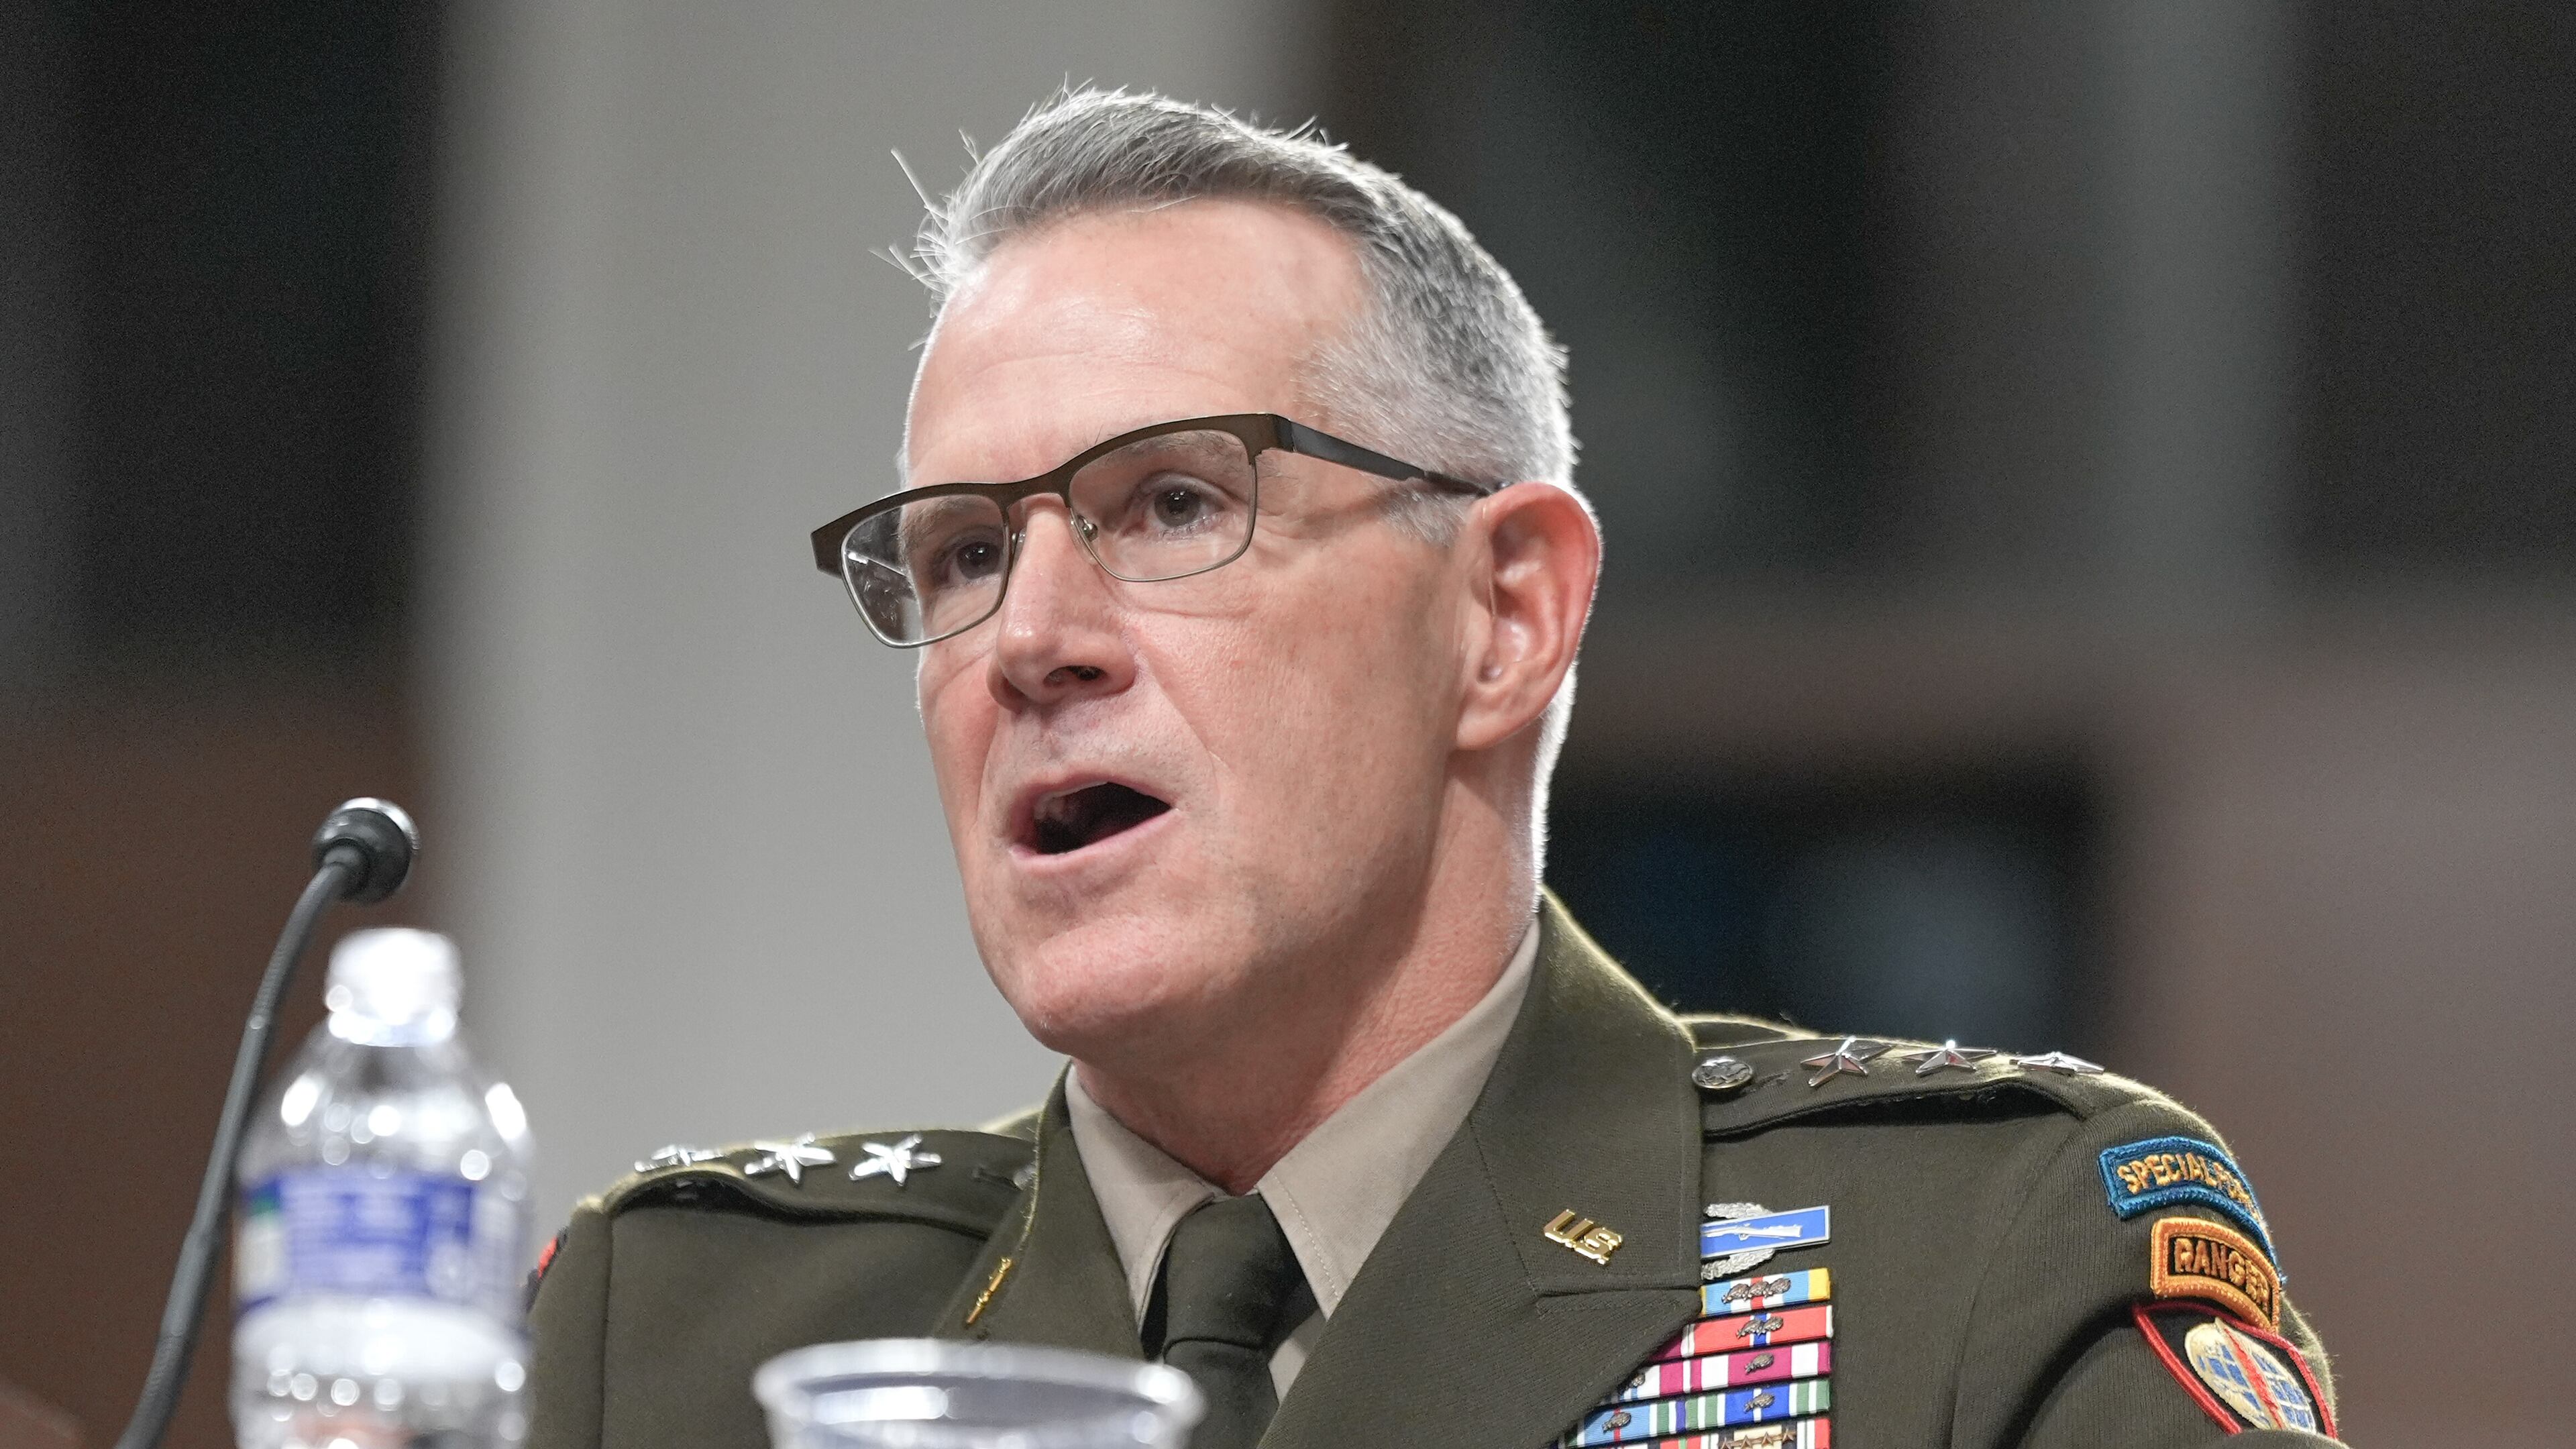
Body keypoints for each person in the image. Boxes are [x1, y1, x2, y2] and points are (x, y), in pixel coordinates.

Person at [525, 90, 2344, 1449]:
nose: (1028, 642)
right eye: (963, 556)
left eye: (1172, 503)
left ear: (1507, 615)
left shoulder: (1985, 1260)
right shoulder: (685, 1334)